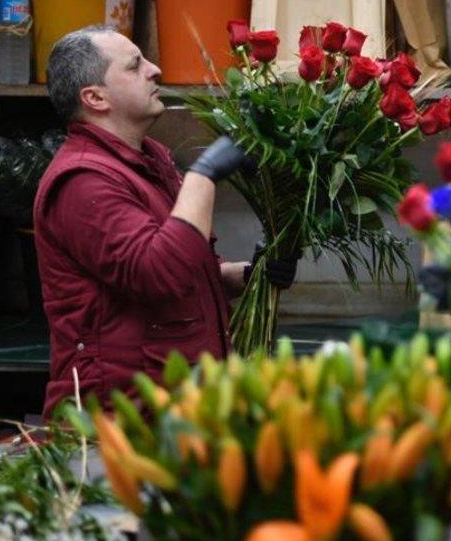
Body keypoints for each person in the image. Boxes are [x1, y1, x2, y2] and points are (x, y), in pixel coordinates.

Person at [34, 25, 297, 418]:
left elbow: (184, 270)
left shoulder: (149, 160)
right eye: (135, 65)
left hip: (176, 411)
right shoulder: (83, 182)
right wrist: (203, 176)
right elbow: (159, 275)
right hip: (122, 423)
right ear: (95, 97)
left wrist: (248, 275)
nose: (154, 69)